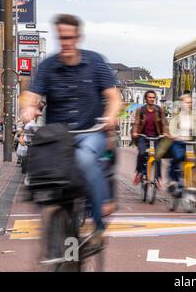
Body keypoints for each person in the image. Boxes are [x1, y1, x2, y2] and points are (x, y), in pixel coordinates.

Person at [20, 14, 121, 243]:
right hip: (58, 136)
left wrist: (110, 116)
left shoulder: (95, 62)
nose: (66, 43)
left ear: (78, 37)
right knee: (43, 173)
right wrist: (28, 108)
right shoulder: (48, 66)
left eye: (70, 37)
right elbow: (31, 95)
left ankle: (97, 225)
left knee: (85, 159)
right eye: (61, 38)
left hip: (90, 133)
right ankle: (54, 226)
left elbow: (113, 97)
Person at [165, 93, 196, 197]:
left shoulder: (195, 116)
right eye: (186, 102)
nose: (189, 104)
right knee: (177, 157)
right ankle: (173, 180)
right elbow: (171, 127)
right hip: (178, 142)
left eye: (190, 102)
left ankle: (190, 184)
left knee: (193, 161)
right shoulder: (176, 115)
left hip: (189, 143)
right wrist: (173, 135)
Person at [131, 90, 168, 184]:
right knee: (142, 153)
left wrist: (165, 132)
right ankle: (139, 172)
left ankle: (158, 178)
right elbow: (136, 123)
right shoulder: (141, 110)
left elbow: (164, 122)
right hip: (143, 136)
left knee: (157, 156)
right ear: (146, 99)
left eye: (153, 97)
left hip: (156, 137)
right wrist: (135, 132)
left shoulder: (159, 110)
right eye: (149, 97)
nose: (152, 99)